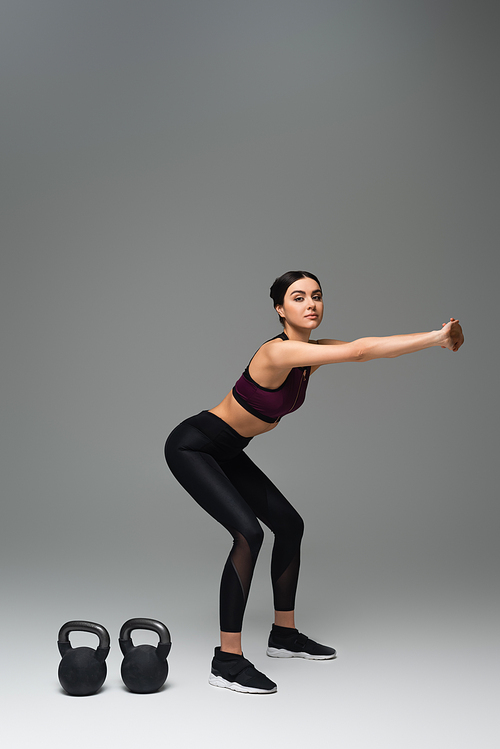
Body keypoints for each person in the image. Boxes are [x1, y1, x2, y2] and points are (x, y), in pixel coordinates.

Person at [165, 270, 464, 694]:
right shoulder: (278, 353)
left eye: (317, 296)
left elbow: (374, 349)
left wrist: (435, 338)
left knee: (289, 525)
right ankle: (227, 661)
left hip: (228, 450)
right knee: (248, 534)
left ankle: (283, 636)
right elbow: (360, 352)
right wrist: (437, 337)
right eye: (298, 296)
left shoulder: (312, 353)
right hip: (193, 446)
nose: (311, 303)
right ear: (279, 309)